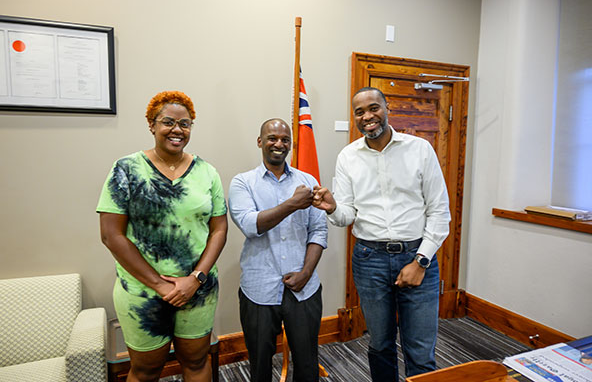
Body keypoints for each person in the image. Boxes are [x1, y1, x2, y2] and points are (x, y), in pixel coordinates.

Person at [313, 87, 451, 382]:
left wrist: (421, 262)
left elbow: (439, 212)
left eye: (373, 108)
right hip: (369, 259)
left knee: (421, 350)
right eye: (359, 112)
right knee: (380, 344)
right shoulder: (348, 156)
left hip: (418, 256)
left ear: (387, 108)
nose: (368, 117)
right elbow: (346, 216)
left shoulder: (420, 149)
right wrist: (333, 207)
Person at [97, 91, 227, 382]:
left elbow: (219, 229)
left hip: (197, 289)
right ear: (151, 125)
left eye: (185, 123)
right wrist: (159, 284)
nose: (177, 129)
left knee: (196, 362)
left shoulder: (207, 172)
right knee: (145, 371)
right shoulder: (126, 169)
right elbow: (111, 235)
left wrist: (195, 279)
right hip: (143, 293)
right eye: (168, 122)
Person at [228, 118, 328, 382]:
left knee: (307, 363)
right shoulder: (243, 182)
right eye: (272, 138)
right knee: (260, 363)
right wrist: (292, 204)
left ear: (291, 145)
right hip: (259, 288)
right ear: (260, 142)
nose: (279, 144)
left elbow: (319, 231)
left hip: (304, 288)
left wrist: (306, 273)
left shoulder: (308, 180)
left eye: (285, 139)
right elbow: (250, 225)